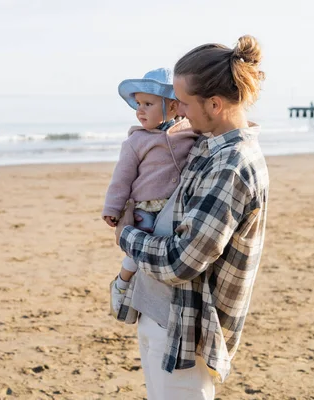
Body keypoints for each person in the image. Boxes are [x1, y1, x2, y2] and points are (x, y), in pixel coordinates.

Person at [112, 35, 269, 400]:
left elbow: (181, 262)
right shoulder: (205, 143)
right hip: (160, 312)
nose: (178, 111)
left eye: (183, 102)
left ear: (214, 103)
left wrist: (126, 235)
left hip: (186, 331)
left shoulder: (233, 165)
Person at [102, 68, 197, 314]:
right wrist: (112, 208)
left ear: (174, 107)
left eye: (148, 103)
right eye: (138, 104)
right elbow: (121, 178)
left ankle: (149, 294)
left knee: (168, 249)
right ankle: (122, 283)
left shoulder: (190, 133)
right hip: (145, 206)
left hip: (174, 207)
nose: (140, 110)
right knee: (138, 248)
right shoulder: (136, 141)